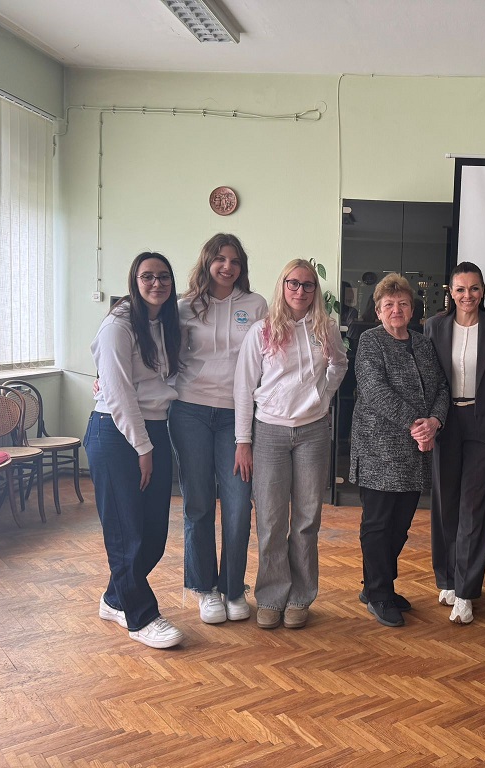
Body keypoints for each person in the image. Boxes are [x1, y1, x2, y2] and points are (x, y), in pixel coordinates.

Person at [233, 259, 347, 630]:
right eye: (293, 283)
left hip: (313, 432)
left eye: (308, 284)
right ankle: (270, 597)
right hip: (269, 433)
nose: (300, 290)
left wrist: (324, 395)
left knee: (306, 520)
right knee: (270, 519)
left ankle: (300, 596)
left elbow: (339, 366)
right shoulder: (262, 331)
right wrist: (243, 440)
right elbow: (243, 388)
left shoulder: (326, 328)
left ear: (316, 290)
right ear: (283, 286)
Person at [87, 252, 184, 649]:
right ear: (134, 280)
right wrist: (142, 446)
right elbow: (118, 392)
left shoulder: (166, 322)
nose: (156, 283)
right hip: (116, 434)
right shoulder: (119, 324)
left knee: (153, 534)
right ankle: (141, 617)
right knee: (126, 532)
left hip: (153, 429)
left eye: (164, 276)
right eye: (148, 276)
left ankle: (115, 599)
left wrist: (149, 442)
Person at [169, 233, 267, 625]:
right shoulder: (185, 307)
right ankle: (204, 588)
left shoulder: (255, 305)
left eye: (235, 260)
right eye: (221, 259)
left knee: (239, 504)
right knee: (198, 503)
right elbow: (164, 355)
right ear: (207, 261)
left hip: (236, 416)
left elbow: (266, 358)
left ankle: (232, 588)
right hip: (189, 411)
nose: (228, 267)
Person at [350, 273, 450, 628]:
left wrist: (434, 422)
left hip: (415, 450)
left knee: (400, 525)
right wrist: (417, 425)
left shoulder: (423, 344)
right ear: (378, 311)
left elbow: (442, 388)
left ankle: (377, 586)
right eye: (389, 304)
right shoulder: (370, 341)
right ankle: (379, 592)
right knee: (378, 524)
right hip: (379, 447)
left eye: (403, 304)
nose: (396, 310)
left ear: (412, 309)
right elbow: (375, 391)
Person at [425, 262, 485, 625]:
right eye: (460, 289)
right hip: (445, 420)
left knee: (475, 506)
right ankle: (447, 578)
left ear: (483, 290)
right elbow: (428, 377)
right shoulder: (434, 326)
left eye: (474, 288)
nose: (467, 295)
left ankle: (466, 590)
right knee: (445, 502)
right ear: (451, 292)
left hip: (483, 421)